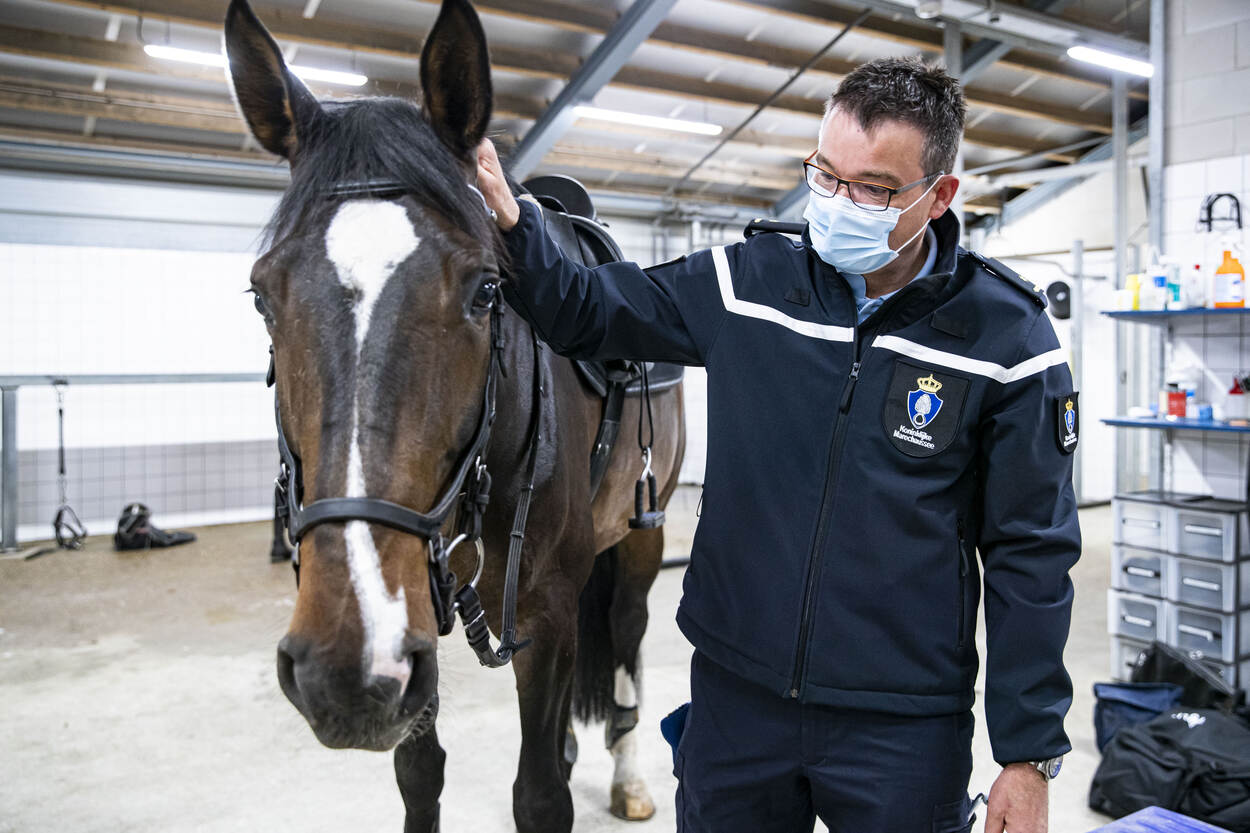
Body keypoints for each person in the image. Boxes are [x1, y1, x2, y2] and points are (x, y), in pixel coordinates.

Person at [475, 57, 1080, 833]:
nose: (839, 202)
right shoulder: (745, 284)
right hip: (738, 704)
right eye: (825, 174)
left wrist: (1028, 755)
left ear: (939, 196)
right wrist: (515, 222)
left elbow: (1032, 553)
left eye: (873, 188)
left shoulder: (1008, 338)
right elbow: (587, 308)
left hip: (901, 727)